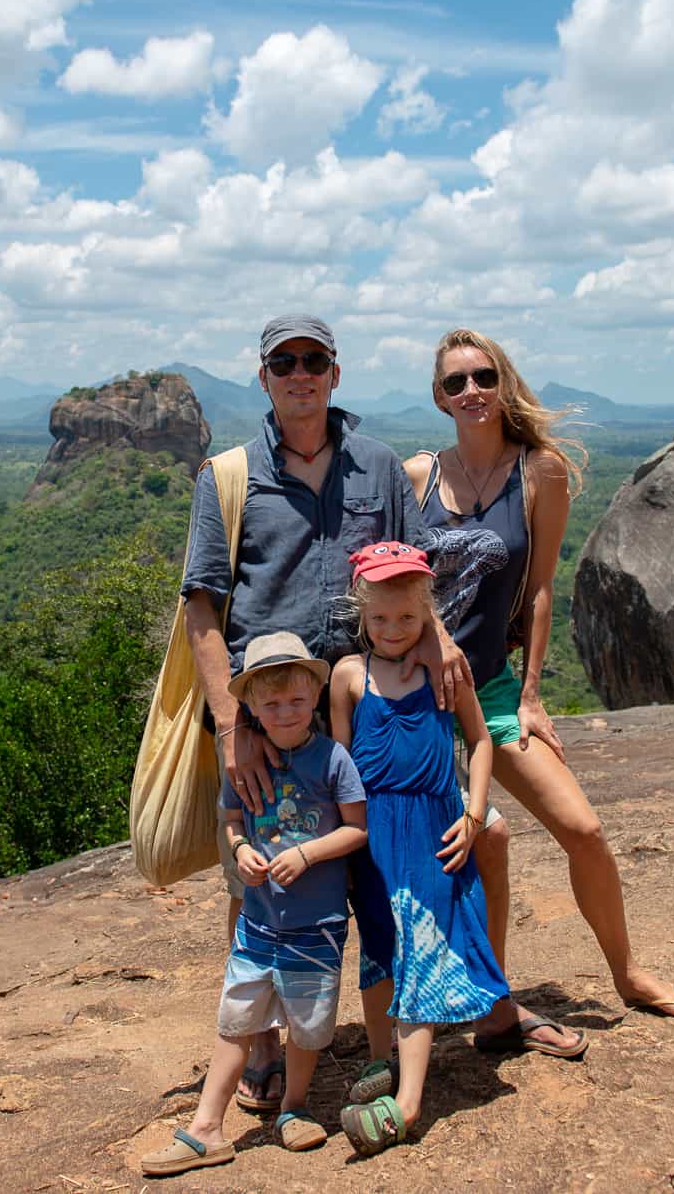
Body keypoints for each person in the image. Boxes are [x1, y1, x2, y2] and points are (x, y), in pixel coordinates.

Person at [179, 314, 469, 1112]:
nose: (300, 373)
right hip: (266, 713)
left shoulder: (378, 466)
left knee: (374, 866)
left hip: (360, 706)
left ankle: (390, 1025)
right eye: (285, 362)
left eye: (314, 360)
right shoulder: (229, 476)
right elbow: (202, 606)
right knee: (259, 877)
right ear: (265, 377)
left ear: (335, 373)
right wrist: (230, 725)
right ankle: (264, 1044)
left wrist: (440, 643)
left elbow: (415, 577)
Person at [404, 328, 674, 1032]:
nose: (471, 391)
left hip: (490, 688)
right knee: (482, 841)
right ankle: (490, 1002)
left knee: (584, 827)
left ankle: (628, 975)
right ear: (439, 397)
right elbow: (389, 577)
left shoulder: (537, 471)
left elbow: (541, 588)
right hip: (416, 692)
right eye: (455, 382)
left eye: (483, 376)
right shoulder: (419, 475)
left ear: (503, 381)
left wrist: (533, 694)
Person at [142, 634, 367, 1176]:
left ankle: (294, 1106)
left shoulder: (332, 759)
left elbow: (358, 829)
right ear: (251, 708)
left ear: (315, 696)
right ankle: (206, 1128)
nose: (285, 713)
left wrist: (308, 854)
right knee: (236, 1020)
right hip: (258, 921)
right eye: (272, 704)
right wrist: (241, 848)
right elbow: (231, 819)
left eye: (296, 701)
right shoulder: (243, 767)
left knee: (307, 1023)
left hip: (316, 923)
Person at [328, 543, 507, 1156]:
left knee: (420, 945)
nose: (393, 629)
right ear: (361, 612)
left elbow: (480, 741)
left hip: (433, 830)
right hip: (372, 833)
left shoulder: (444, 671)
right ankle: (383, 1059)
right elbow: (340, 768)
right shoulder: (348, 677)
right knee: (381, 942)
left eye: (407, 617)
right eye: (380, 618)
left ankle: (407, 1105)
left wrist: (475, 814)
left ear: (427, 610)